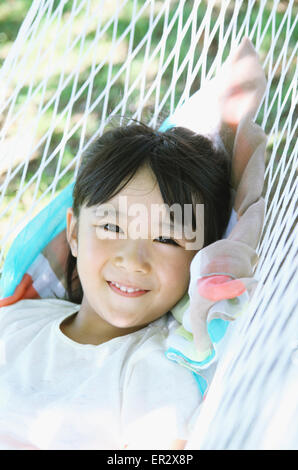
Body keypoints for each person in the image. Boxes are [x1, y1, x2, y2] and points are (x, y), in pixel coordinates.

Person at [0, 121, 232, 450]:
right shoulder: (16, 319)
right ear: (75, 234)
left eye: (166, 237)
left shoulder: (156, 373)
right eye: (111, 226)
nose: (133, 260)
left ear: (200, 260)